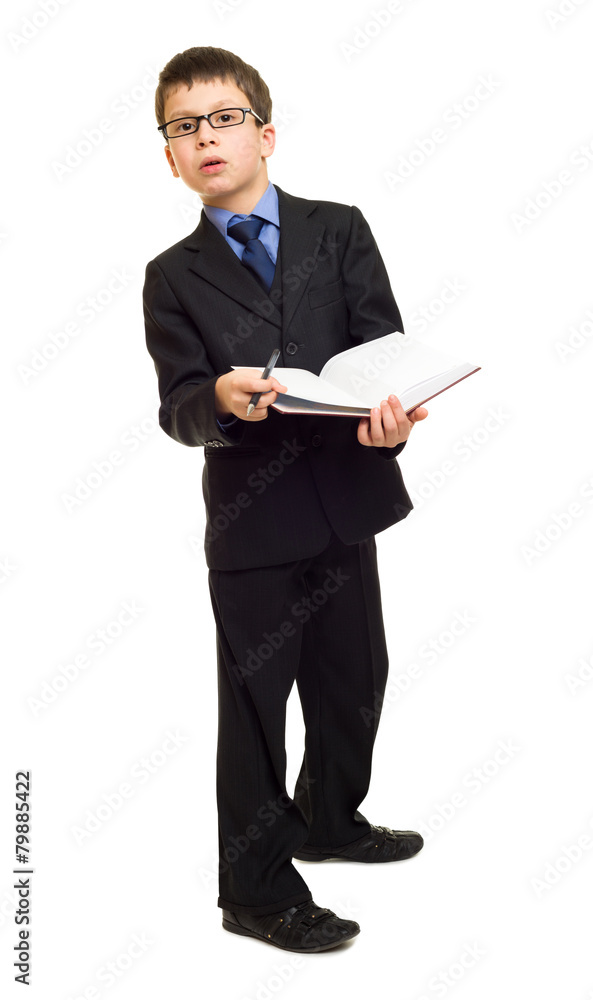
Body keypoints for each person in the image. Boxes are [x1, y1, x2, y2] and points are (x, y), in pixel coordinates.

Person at [143, 45, 428, 954]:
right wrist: (218, 403)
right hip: (252, 523)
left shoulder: (337, 229)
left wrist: (393, 416)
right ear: (171, 158)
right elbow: (178, 404)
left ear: (264, 134)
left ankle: (333, 819)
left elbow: (380, 348)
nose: (205, 136)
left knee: (354, 681)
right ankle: (256, 889)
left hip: (346, 496)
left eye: (223, 117)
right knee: (256, 710)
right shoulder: (172, 275)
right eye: (184, 127)